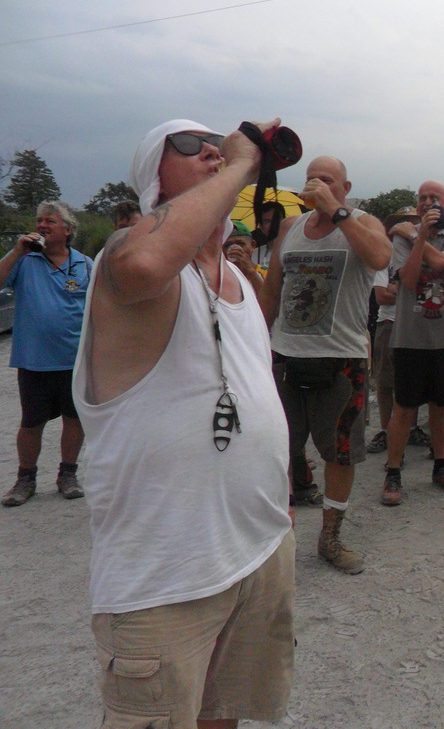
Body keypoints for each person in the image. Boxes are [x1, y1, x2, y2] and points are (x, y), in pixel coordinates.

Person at [73, 118, 295, 727]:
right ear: (154, 174)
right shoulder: (126, 259)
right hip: (165, 574)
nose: (214, 153)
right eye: (192, 145)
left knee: (224, 714)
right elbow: (148, 261)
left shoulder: (238, 280)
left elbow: (254, 388)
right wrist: (244, 162)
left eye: (219, 145)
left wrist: (276, 493)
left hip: (257, 547)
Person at [260, 155, 391, 574]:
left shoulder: (364, 222)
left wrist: (337, 211)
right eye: (311, 178)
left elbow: (380, 257)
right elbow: (273, 290)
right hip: (287, 355)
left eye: (328, 180)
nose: (317, 184)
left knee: (340, 453)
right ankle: (273, 539)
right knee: (277, 448)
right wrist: (255, 343)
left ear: (345, 188)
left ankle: (330, 538)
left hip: (341, 359)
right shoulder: (290, 227)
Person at [379, 181, 444, 505]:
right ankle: (393, 472)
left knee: (441, 404)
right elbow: (407, 280)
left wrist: (411, 235)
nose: (429, 202)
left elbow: (442, 264)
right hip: (410, 337)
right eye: (423, 198)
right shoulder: (404, 238)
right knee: (404, 407)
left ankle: (441, 466)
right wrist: (417, 237)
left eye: (435, 197)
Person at [1, 200, 92, 506]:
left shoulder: (85, 264)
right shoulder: (24, 260)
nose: (41, 225)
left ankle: (68, 475)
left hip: (74, 359)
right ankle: (25, 479)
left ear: (67, 229)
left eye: (50, 221)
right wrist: (16, 251)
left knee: (74, 419)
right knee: (31, 422)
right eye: (39, 220)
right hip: (34, 360)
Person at [366, 206, 435, 457]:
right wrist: (410, 291)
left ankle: (411, 428)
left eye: (413, 222)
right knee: (385, 382)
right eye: (403, 222)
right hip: (390, 323)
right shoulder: (386, 256)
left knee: (412, 381)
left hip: (415, 324)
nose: (407, 227)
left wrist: (404, 291)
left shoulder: (424, 254)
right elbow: (381, 296)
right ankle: (386, 430)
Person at [224, 219, 264, 292]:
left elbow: (268, 297)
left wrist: (251, 271)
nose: (234, 249)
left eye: (240, 244)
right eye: (228, 245)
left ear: (252, 246)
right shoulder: (219, 277)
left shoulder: (267, 273)